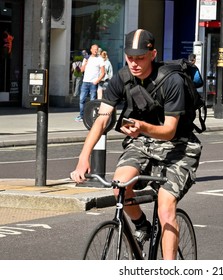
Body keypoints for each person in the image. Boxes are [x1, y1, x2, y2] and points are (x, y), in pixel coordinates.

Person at [70, 29, 202, 260]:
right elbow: (102, 119)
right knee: (119, 185)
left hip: (179, 147)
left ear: (153, 54)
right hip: (143, 142)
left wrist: (142, 127)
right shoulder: (122, 78)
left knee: (165, 207)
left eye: (140, 58)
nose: (134, 63)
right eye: (130, 58)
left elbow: (170, 130)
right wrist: (83, 158)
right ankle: (141, 225)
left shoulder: (172, 81)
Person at [75, 44, 105, 122]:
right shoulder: (87, 59)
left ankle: (91, 116)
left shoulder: (100, 59)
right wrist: (85, 62)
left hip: (93, 83)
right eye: (94, 49)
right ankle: (81, 115)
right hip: (85, 82)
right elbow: (81, 71)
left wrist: (97, 81)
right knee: (82, 99)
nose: (95, 51)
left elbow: (103, 72)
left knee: (92, 100)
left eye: (97, 49)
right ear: (91, 50)